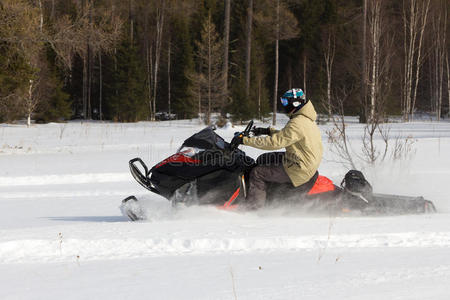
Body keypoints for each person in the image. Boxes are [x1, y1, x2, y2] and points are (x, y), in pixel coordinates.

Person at [231, 88, 323, 209]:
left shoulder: (297, 123)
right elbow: (287, 136)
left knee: (257, 173)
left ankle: (253, 208)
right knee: (265, 159)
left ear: (295, 103)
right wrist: (267, 131)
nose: (284, 105)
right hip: (304, 161)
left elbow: (275, 143)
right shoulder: (305, 119)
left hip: (299, 167)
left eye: (285, 102)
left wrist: (244, 140)